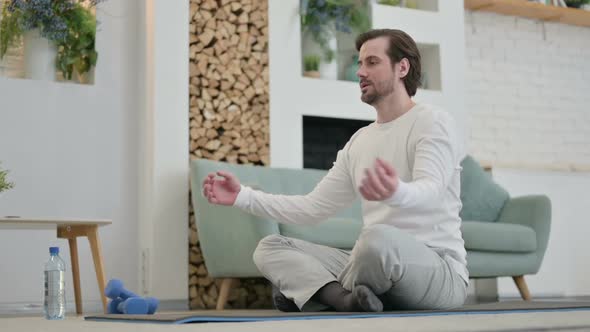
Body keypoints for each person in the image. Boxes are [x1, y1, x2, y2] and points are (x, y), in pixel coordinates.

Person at [202, 29, 468, 312]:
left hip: (439, 271)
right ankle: (344, 299)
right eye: (359, 63)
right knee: (270, 247)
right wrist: (241, 196)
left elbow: (431, 190)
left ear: (402, 67)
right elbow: (312, 208)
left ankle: (317, 294)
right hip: (370, 262)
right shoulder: (359, 142)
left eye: (372, 62)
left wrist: (397, 191)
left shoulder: (432, 121)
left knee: (377, 240)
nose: (360, 72)